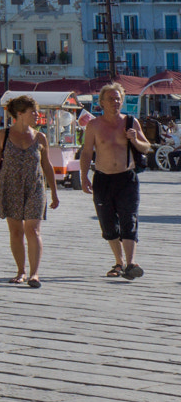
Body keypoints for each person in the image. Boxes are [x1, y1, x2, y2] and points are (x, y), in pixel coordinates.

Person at [0, 94, 58, 287]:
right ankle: (20, 271)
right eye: (33, 112)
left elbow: (47, 166)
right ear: (20, 114)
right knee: (15, 232)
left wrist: (54, 191)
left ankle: (34, 274)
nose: (37, 116)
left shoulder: (40, 137)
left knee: (33, 229)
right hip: (10, 185)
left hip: (35, 186)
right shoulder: (2, 135)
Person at [79, 82, 153, 280]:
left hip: (127, 178)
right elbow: (86, 153)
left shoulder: (130, 122)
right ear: (102, 102)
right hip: (103, 179)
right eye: (111, 99)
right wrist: (83, 176)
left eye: (118, 98)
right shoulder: (94, 125)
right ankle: (118, 262)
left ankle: (131, 263)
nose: (115, 102)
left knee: (129, 219)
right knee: (108, 223)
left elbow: (146, 148)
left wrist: (135, 139)